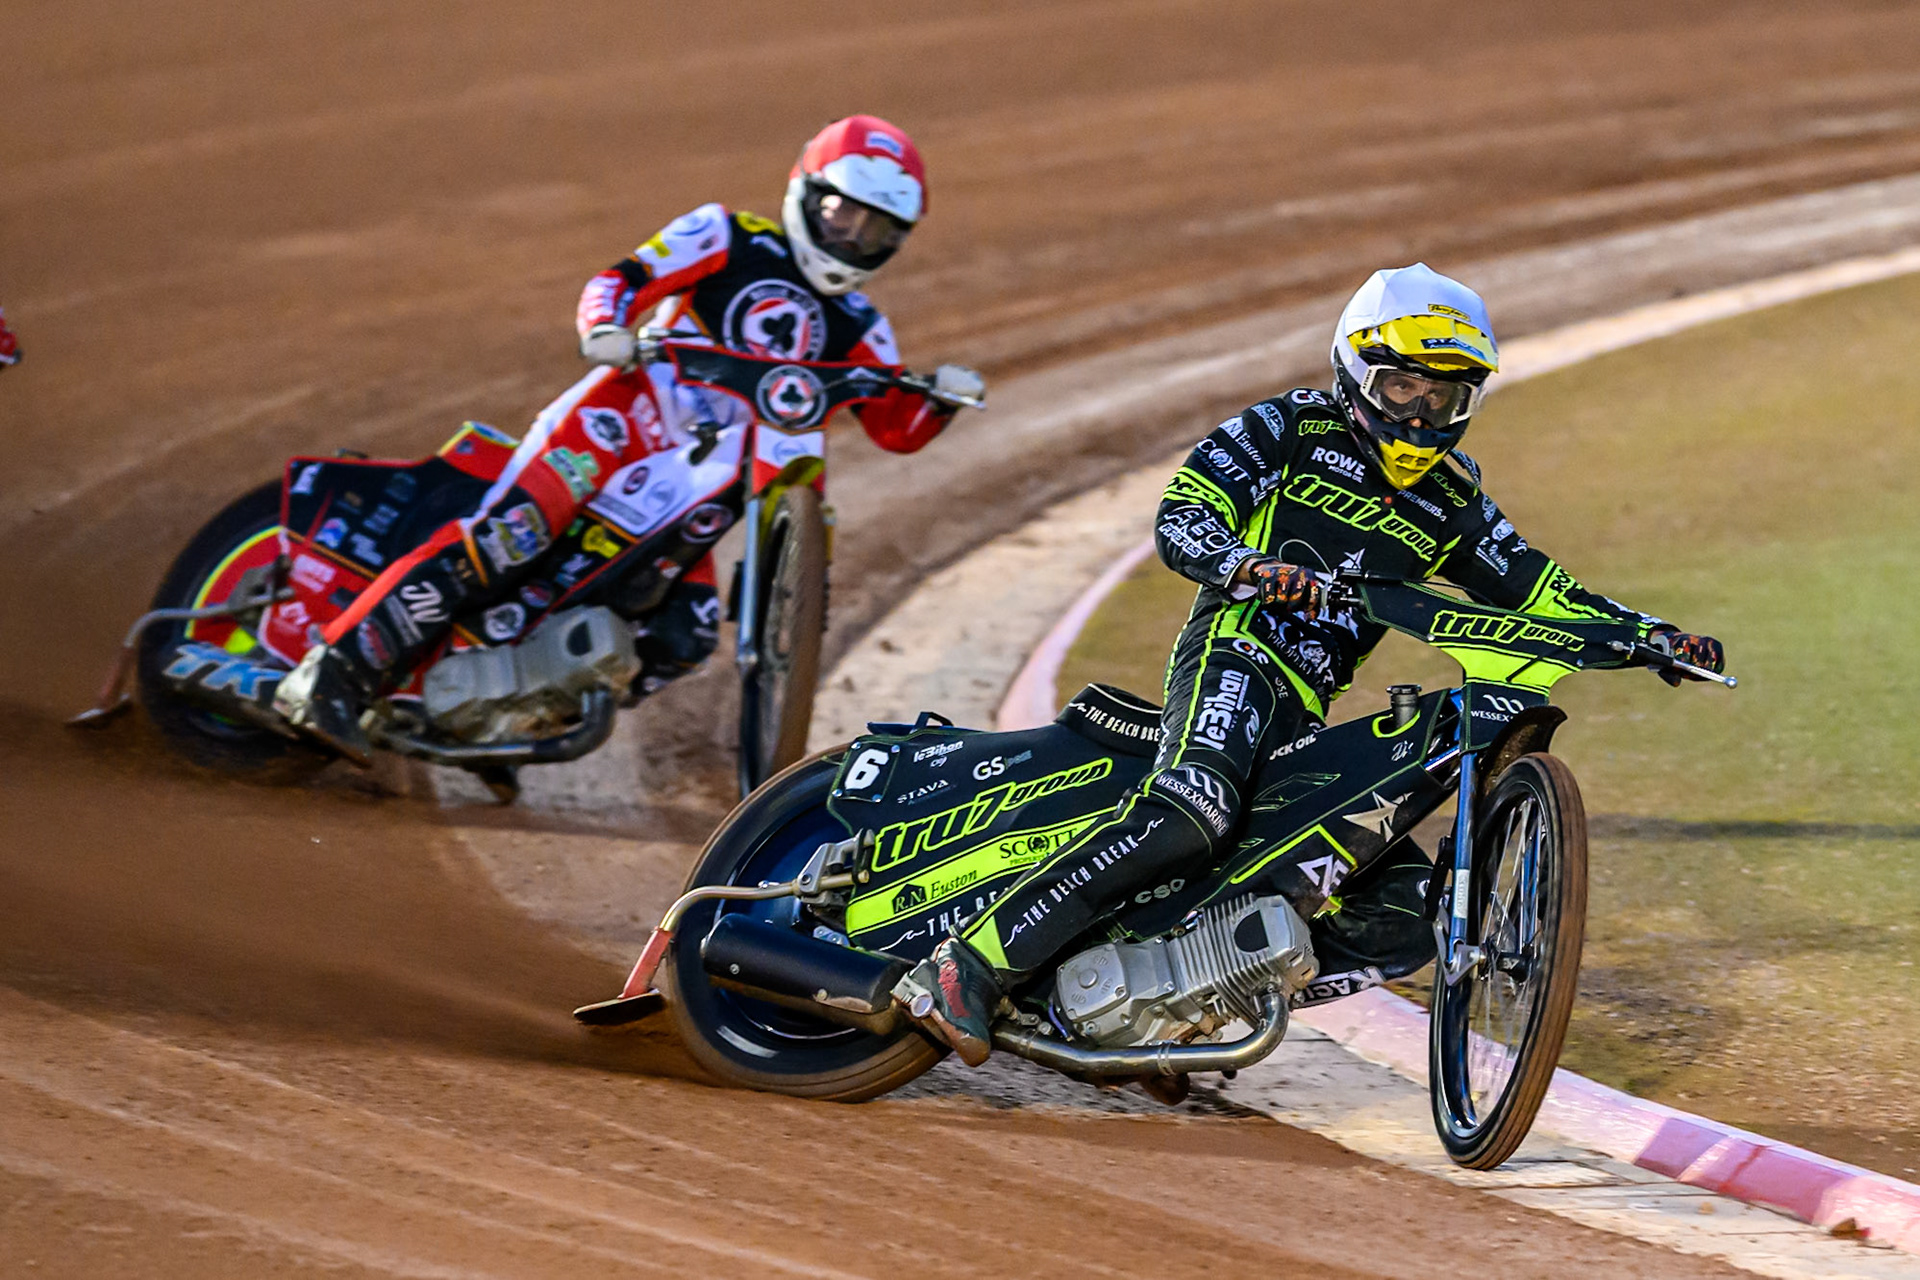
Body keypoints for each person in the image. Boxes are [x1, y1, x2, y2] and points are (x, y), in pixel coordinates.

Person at [896, 263, 1725, 1065]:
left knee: (1403, 916)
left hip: (1306, 709)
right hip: (1237, 652)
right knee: (1195, 809)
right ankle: (967, 964)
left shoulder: (1453, 497)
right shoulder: (1288, 426)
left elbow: (1540, 589)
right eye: (1404, 386)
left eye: (1444, 395)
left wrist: (1653, 635)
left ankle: (1179, 1003)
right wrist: (1249, 569)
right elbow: (1184, 512)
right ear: (1358, 370)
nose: (1421, 412)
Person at [275, 115, 984, 764]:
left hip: (701, 484)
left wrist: (942, 399)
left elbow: (896, 426)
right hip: (618, 422)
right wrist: (605, 328)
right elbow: (622, 279)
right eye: (843, 213)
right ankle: (331, 672)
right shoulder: (728, 233)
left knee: (684, 638)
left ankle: (500, 719)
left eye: (876, 230)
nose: (853, 238)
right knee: (508, 538)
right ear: (806, 189)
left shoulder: (863, 326)